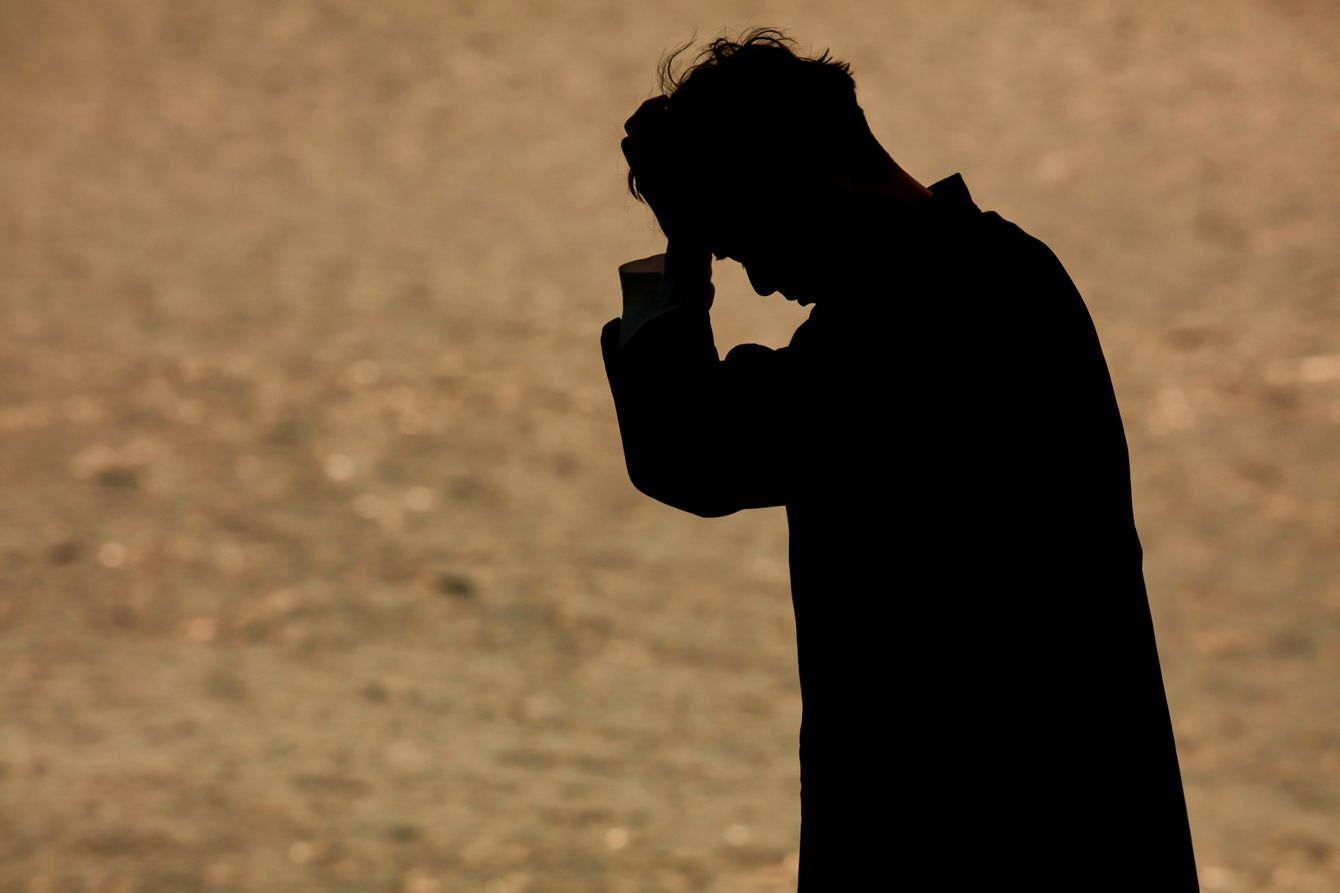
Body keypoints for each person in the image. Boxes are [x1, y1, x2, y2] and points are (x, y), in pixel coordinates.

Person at [600, 28, 1199, 890]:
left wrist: (681, 265)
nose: (761, 283)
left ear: (804, 182)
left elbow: (693, 450)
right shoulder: (1001, 276)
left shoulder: (917, 323)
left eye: (747, 239)